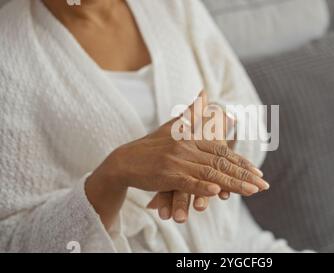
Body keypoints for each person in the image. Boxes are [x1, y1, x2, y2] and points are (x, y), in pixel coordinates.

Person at [0, 0, 293, 252]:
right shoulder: (9, 52)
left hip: (237, 242)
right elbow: (13, 239)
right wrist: (114, 173)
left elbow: (253, 112)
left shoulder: (174, 6)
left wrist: (220, 125)